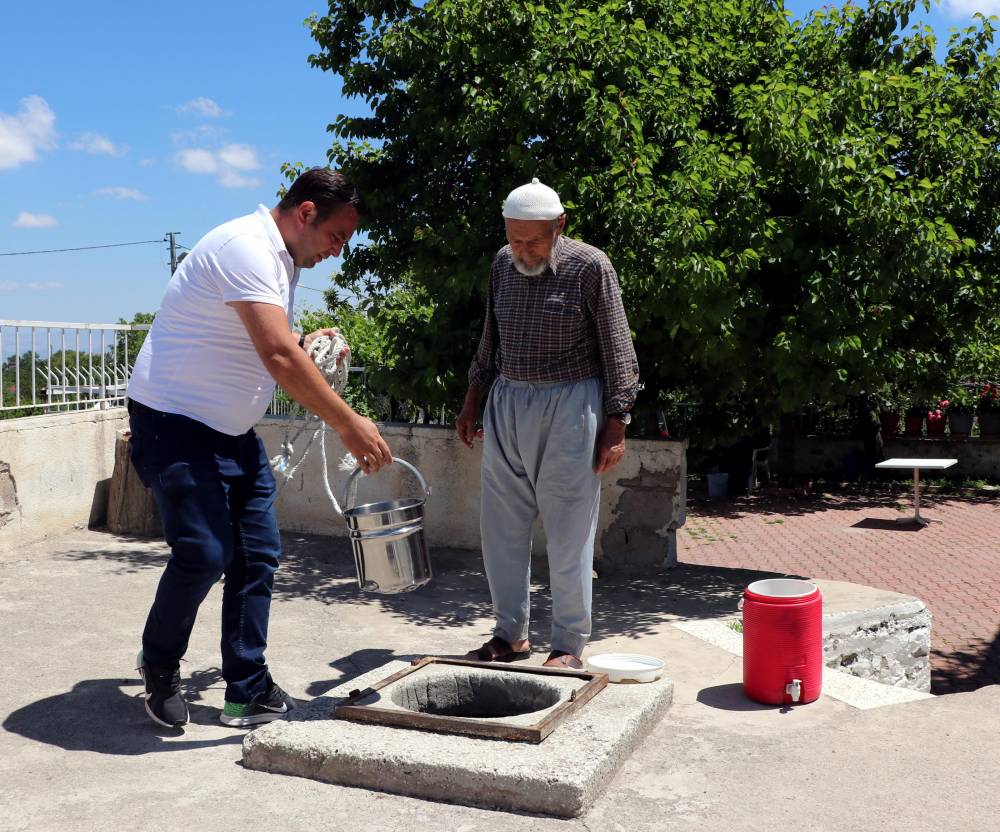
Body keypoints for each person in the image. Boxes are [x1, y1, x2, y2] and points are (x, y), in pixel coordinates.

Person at [126, 168, 393, 729]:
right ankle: (159, 665)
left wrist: (304, 343)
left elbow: (263, 341)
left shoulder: (281, 261)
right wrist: (348, 423)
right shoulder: (246, 247)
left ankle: (246, 689)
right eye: (336, 237)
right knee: (204, 552)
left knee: (257, 552)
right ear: (306, 214)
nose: (336, 251)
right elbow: (274, 357)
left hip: (231, 433)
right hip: (174, 423)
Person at [456, 177, 639, 669]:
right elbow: (489, 338)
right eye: (515, 237)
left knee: (568, 530)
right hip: (508, 401)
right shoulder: (502, 263)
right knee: (501, 529)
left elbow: (618, 349)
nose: (523, 248)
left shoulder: (590, 266)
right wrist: (473, 398)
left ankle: (568, 644)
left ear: (560, 225)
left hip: (572, 407)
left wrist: (616, 423)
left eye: (533, 239)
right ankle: (509, 634)